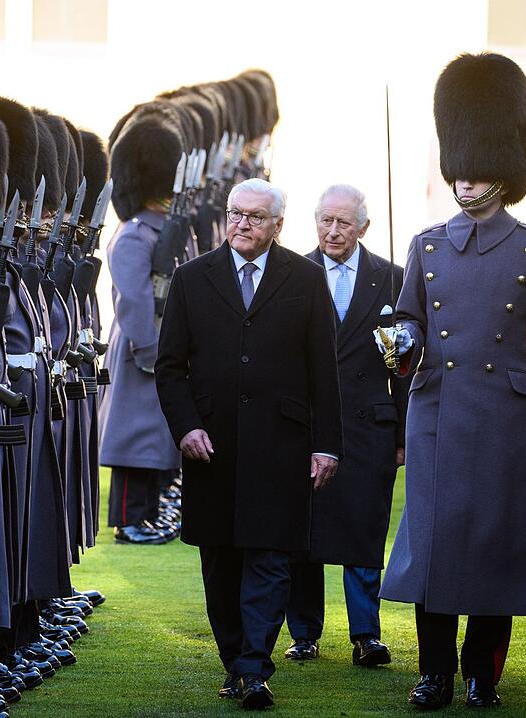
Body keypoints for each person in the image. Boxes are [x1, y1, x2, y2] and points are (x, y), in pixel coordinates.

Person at [377, 52, 526, 710]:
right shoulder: (427, 247)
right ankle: (433, 672)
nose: (465, 182)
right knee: (432, 550)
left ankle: (481, 673)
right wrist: (399, 340)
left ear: (505, 171)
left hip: (501, 421)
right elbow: (409, 321)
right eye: (458, 168)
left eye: (478, 169)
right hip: (435, 415)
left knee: (494, 549)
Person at [156, 177, 342, 710]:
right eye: (237, 213)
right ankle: (235, 660)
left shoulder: (305, 279)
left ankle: (255, 668)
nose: (242, 223)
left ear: (278, 225)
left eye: (256, 217)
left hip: (281, 446)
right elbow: (169, 369)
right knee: (220, 563)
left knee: (270, 559)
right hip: (211, 448)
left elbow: (323, 372)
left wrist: (326, 445)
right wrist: (186, 426)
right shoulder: (193, 278)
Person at [284, 184, 407, 667]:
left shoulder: (393, 279)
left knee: (363, 527)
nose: (333, 232)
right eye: (325, 221)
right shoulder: (291, 274)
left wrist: (401, 437)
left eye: (344, 224)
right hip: (305, 426)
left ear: (364, 227)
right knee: (303, 532)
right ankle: (304, 633)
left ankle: (366, 634)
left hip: (368, 428)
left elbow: (407, 369)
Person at [100, 107, 190, 545]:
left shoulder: (162, 229)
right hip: (143, 347)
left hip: (161, 345)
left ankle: (148, 514)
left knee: (156, 441)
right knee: (135, 443)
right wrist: (150, 350)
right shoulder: (135, 234)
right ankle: (128, 519)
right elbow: (133, 299)